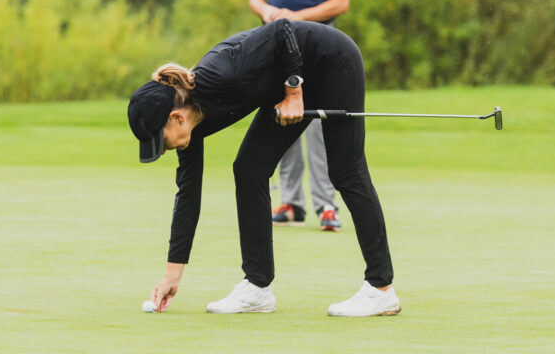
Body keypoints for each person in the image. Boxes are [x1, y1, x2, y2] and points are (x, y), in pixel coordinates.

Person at [127, 19, 400, 316]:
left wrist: (294, 93)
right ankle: (257, 288)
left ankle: (380, 289)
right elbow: (188, 195)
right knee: (249, 169)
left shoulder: (222, 72)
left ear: (177, 118)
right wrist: (172, 274)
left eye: (161, 142)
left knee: (346, 171)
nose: (163, 151)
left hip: (331, 60)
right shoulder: (190, 130)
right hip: (291, 80)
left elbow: (282, 29)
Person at [249, 0, 354, 231]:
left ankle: (326, 204)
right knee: (283, 117)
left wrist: (297, 17)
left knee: (317, 125)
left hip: (319, 46)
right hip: (277, 45)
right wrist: (269, 12)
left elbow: (340, 1)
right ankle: (291, 202)